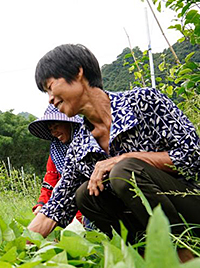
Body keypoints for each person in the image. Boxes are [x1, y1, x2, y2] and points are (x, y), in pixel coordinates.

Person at [28, 44, 200, 250]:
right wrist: (13, 251)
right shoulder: (80, 145)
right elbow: (55, 207)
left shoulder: (144, 102)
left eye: (51, 86)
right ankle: (142, 254)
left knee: (123, 171)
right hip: (145, 224)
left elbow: (193, 156)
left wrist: (122, 159)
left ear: (77, 72)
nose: (50, 99)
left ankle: (183, 254)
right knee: (85, 194)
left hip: (190, 204)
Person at [28, 104, 83, 224]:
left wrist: (77, 220)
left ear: (69, 123)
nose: (54, 132)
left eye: (57, 126)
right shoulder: (56, 150)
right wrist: (41, 205)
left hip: (87, 200)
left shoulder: (86, 142)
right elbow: (51, 179)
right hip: (66, 203)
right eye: (51, 129)